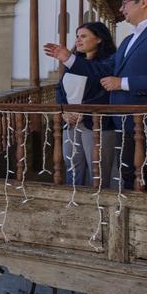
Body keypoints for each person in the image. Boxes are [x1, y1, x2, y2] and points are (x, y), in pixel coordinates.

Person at [45, 0, 147, 192]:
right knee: (130, 179)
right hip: (127, 123)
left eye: (125, 3)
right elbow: (102, 69)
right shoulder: (129, 40)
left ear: (143, 2)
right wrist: (68, 58)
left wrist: (122, 83)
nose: (121, 9)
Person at [55, 22, 119, 187]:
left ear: (99, 39)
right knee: (72, 166)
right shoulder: (74, 63)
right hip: (70, 122)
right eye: (77, 36)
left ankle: (98, 206)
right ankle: (75, 203)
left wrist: (84, 110)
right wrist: (64, 110)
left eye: (83, 36)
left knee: (97, 169)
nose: (78, 40)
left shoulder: (110, 62)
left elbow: (107, 93)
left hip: (96, 122)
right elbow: (60, 89)